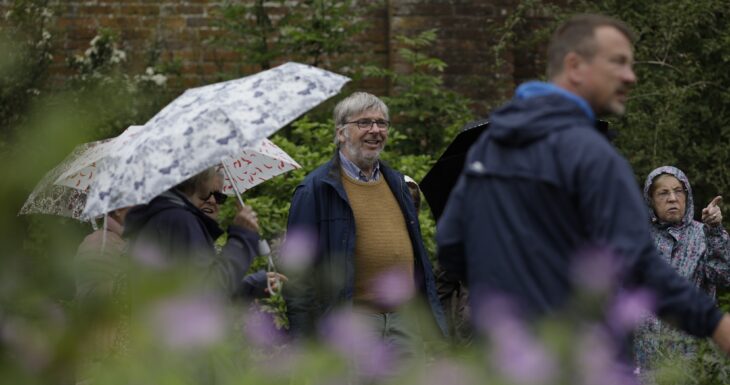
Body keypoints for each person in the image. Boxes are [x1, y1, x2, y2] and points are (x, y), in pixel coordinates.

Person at [436, 13, 730, 361]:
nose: (630, 76)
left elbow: (452, 245)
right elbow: (642, 266)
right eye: (618, 63)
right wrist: (715, 324)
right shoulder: (592, 156)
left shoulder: (490, 146)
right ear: (575, 65)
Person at [283, 92, 448, 350]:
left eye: (382, 123)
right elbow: (298, 273)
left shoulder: (398, 184)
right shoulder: (316, 189)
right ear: (341, 133)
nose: (375, 130)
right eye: (364, 123)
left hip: (404, 322)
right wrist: (305, 340)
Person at [634, 166, 730, 368]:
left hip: (691, 359)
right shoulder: (638, 237)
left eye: (678, 191)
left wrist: (714, 231)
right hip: (643, 361)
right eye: (663, 192)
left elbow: (723, 276)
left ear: (687, 196)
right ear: (650, 200)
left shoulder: (704, 234)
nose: (672, 198)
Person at [123, 167, 263, 299]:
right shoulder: (181, 221)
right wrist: (241, 238)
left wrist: (253, 285)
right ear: (191, 185)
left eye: (220, 197)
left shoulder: (164, 217)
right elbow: (206, 295)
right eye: (207, 194)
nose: (213, 201)